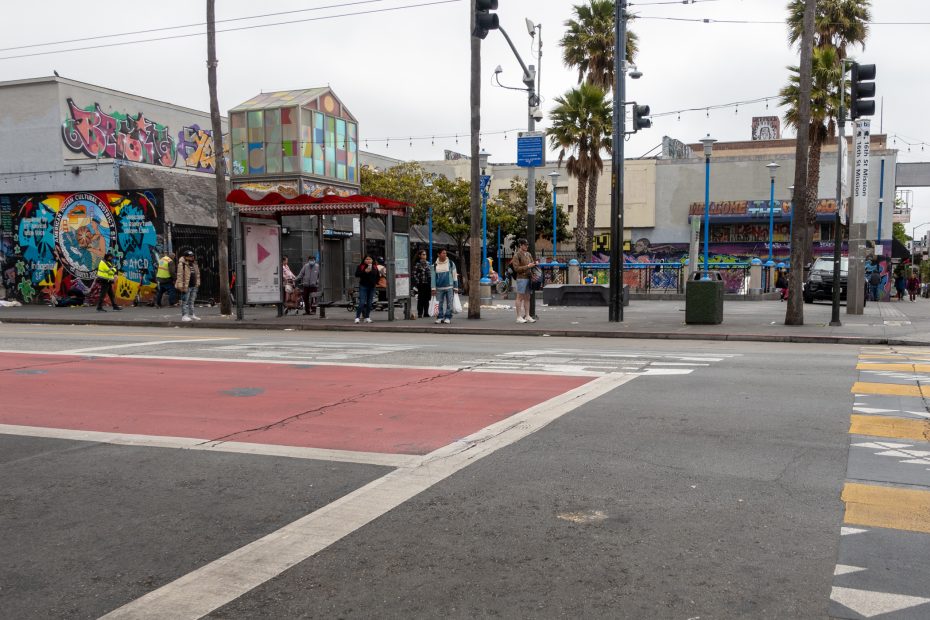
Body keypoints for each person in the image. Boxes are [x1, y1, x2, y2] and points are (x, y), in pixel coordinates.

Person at [510, 238, 537, 324]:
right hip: (521, 278)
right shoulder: (517, 255)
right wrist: (528, 266)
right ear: (520, 245)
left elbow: (532, 264)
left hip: (528, 278)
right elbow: (516, 268)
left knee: (527, 297)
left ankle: (527, 315)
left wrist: (533, 269)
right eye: (525, 245)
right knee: (520, 297)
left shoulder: (528, 254)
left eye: (527, 245)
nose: (527, 246)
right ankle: (518, 316)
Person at [430, 248, 458, 324]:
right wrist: (433, 288)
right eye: (443, 253)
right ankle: (440, 317)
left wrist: (456, 287)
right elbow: (433, 277)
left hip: (449, 287)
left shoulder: (451, 263)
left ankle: (448, 317)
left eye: (445, 253)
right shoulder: (434, 265)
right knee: (439, 303)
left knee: (449, 303)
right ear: (438, 254)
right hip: (439, 288)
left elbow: (454, 275)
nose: (445, 255)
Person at [175, 249, 201, 322]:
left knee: (192, 301)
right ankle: (184, 316)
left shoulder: (194, 264)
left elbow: (197, 274)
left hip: (194, 285)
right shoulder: (182, 264)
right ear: (185, 257)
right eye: (190, 256)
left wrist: (197, 283)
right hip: (186, 286)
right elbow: (179, 275)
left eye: (192, 256)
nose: (192, 257)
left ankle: (191, 314)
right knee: (185, 301)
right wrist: (180, 286)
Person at [354, 255, 379, 323]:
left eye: (370, 259)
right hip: (363, 286)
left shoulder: (374, 266)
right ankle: (357, 317)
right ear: (364, 260)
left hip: (372, 287)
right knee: (362, 302)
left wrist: (376, 282)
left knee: (369, 303)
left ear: (372, 260)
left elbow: (377, 276)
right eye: (366, 259)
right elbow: (357, 274)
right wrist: (365, 271)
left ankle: (367, 317)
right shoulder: (361, 266)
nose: (368, 260)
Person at [413, 250, 432, 318]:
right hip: (421, 284)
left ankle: (426, 313)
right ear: (420, 256)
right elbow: (414, 274)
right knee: (420, 299)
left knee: (426, 299)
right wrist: (418, 282)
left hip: (427, 284)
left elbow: (431, 274)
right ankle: (420, 313)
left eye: (425, 254)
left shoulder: (428, 264)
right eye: (423, 254)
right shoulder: (417, 264)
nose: (424, 256)